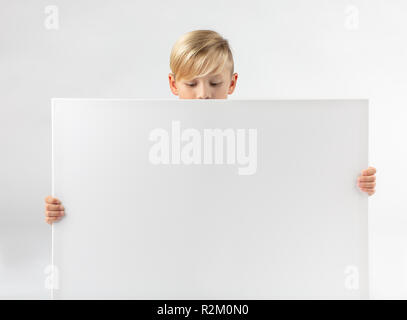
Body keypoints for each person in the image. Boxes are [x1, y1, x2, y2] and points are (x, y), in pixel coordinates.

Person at [44, 29, 377, 224]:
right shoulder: (147, 139)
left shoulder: (256, 138)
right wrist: (69, 208)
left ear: (232, 84)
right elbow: (119, 190)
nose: (203, 95)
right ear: (174, 85)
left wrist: (351, 185)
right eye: (192, 85)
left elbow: (293, 182)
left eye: (215, 83)